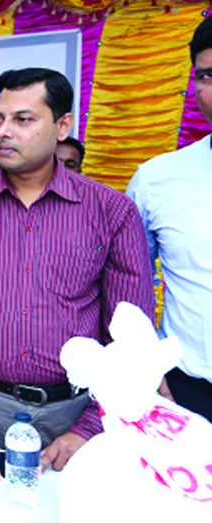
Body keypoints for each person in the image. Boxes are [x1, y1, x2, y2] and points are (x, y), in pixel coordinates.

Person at [0, 68, 155, 471]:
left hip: (80, 414)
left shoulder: (111, 212)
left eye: (23, 119)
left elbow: (131, 335)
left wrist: (90, 426)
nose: (3, 132)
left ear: (62, 125)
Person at [126, 16, 212, 423]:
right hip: (188, 393)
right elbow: (126, 279)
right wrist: (146, 361)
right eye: (207, 76)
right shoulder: (157, 178)